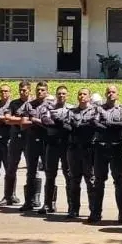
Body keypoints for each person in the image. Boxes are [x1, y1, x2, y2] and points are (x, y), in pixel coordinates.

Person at [93, 85, 122, 224]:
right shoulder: (99, 108)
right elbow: (95, 123)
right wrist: (114, 125)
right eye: (108, 92)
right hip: (101, 147)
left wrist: (107, 124)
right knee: (98, 181)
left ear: (117, 94)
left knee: (119, 181)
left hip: (117, 148)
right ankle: (96, 213)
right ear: (105, 94)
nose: (110, 94)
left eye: (113, 92)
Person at [63, 88, 97, 220]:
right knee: (74, 180)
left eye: (84, 94)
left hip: (89, 149)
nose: (82, 96)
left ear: (89, 97)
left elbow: (94, 126)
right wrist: (82, 126)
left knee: (91, 180)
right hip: (74, 149)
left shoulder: (95, 111)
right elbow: (66, 126)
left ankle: (93, 210)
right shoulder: (71, 112)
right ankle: (73, 209)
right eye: (80, 94)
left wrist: (78, 126)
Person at [35, 86, 70, 216]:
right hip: (52, 144)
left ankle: (71, 206)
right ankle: (48, 203)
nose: (61, 96)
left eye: (64, 94)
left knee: (69, 175)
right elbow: (46, 121)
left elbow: (72, 124)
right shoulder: (49, 107)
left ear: (68, 95)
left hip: (66, 145)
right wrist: (61, 124)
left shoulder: (71, 108)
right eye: (59, 93)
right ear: (56, 95)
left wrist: (62, 124)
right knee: (50, 175)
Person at [16, 82, 49, 210]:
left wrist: (34, 120)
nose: (40, 92)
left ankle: (48, 202)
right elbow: (23, 124)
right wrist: (40, 121)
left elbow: (50, 124)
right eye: (38, 90)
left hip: (46, 141)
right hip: (31, 140)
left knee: (49, 173)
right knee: (31, 171)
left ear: (47, 91)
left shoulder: (51, 105)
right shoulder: (29, 105)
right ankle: (29, 201)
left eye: (42, 90)